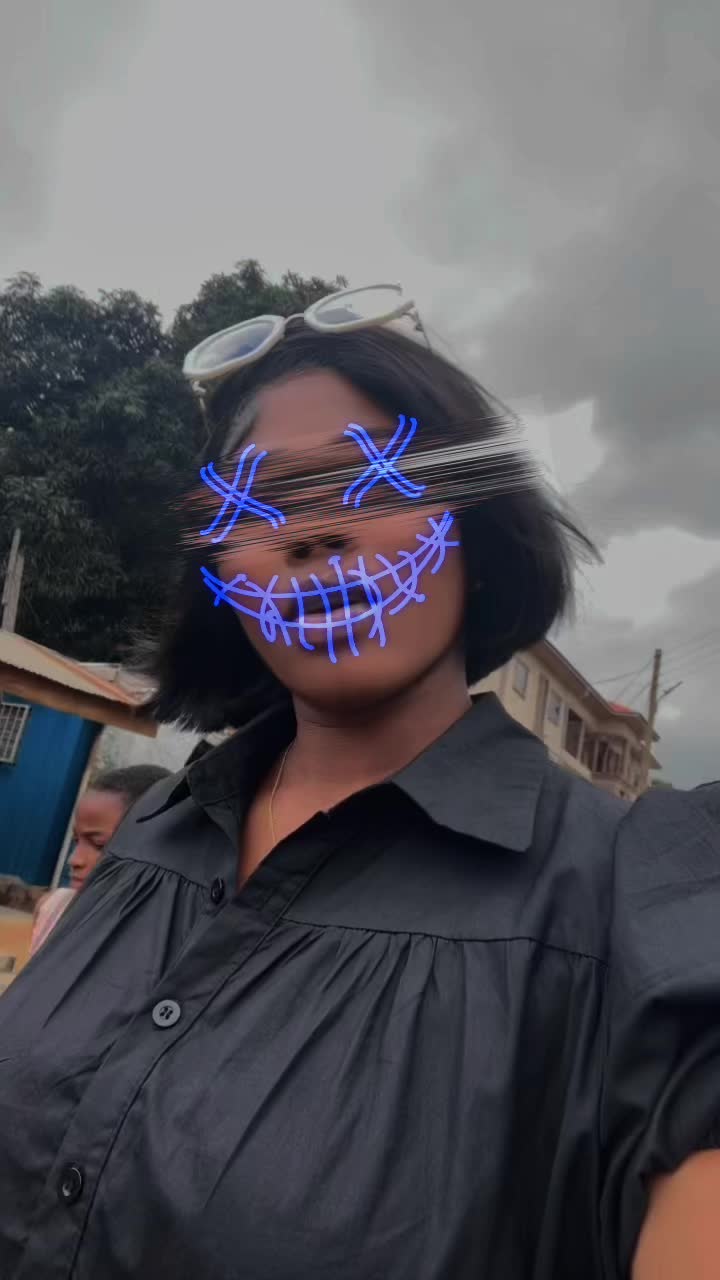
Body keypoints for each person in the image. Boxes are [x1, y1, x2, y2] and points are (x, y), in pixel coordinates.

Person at [1, 285, 719, 1280]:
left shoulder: (632, 897)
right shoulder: (154, 827)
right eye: (263, 502)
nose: (311, 533)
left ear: (473, 531)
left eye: (371, 482)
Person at [29, 765, 171, 956]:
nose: (74, 860)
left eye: (98, 844)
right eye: (76, 841)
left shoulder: (165, 942)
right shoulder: (54, 909)